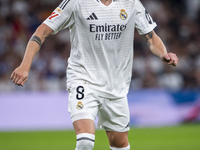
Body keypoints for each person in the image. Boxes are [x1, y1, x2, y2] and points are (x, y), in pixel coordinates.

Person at [10, 0, 179, 149]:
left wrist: (164, 53)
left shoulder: (131, 3)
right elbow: (41, 31)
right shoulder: (76, 3)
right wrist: (25, 66)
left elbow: (151, 36)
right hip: (83, 80)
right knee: (85, 141)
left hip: (116, 86)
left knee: (119, 144)